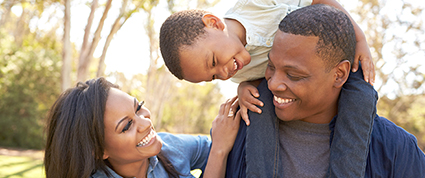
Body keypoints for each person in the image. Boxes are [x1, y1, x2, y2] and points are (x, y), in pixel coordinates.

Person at [160, 0, 376, 177]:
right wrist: (244, 87)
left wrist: (359, 40)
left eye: (215, 61)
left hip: (331, 64)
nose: (225, 74)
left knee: (363, 96)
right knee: (259, 104)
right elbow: (263, 79)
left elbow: (320, 2)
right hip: (297, 88)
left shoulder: (256, 5)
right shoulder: (238, 70)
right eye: (214, 76)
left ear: (214, 23)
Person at [229, 4, 425, 177]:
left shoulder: (395, 149)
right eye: (271, 66)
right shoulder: (237, 134)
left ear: (339, 74)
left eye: (294, 75)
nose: (272, 84)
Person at [44, 77, 241, 178]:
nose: (146, 123)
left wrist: (248, 89)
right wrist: (219, 151)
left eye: (138, 108)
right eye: (127, 125)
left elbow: (228, 151)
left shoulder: (169, 147)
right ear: (98, 150)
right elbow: (218, 148)